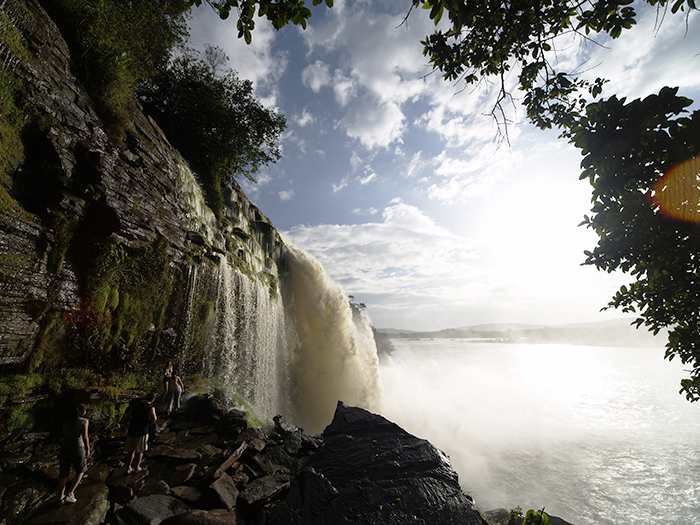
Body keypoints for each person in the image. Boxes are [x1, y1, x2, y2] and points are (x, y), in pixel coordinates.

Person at [58, 404, 89, 504]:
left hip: (65, 447)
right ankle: (70, 493)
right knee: (81, 470)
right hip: (78, 447)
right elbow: (85, 436)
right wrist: (88, 448)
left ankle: (60, 497)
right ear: (83, 412)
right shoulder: (84, 421)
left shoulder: (66, 421)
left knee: (64, 474)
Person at [124, 392, 157, 474]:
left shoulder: (136, 406)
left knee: (130, 451)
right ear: (152, 400)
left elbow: (128, 416)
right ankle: (136, 467)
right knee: (139, 451)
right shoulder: (150, 408)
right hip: (142, 431)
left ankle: (128, 468)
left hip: (132, 429)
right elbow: (153, 419)